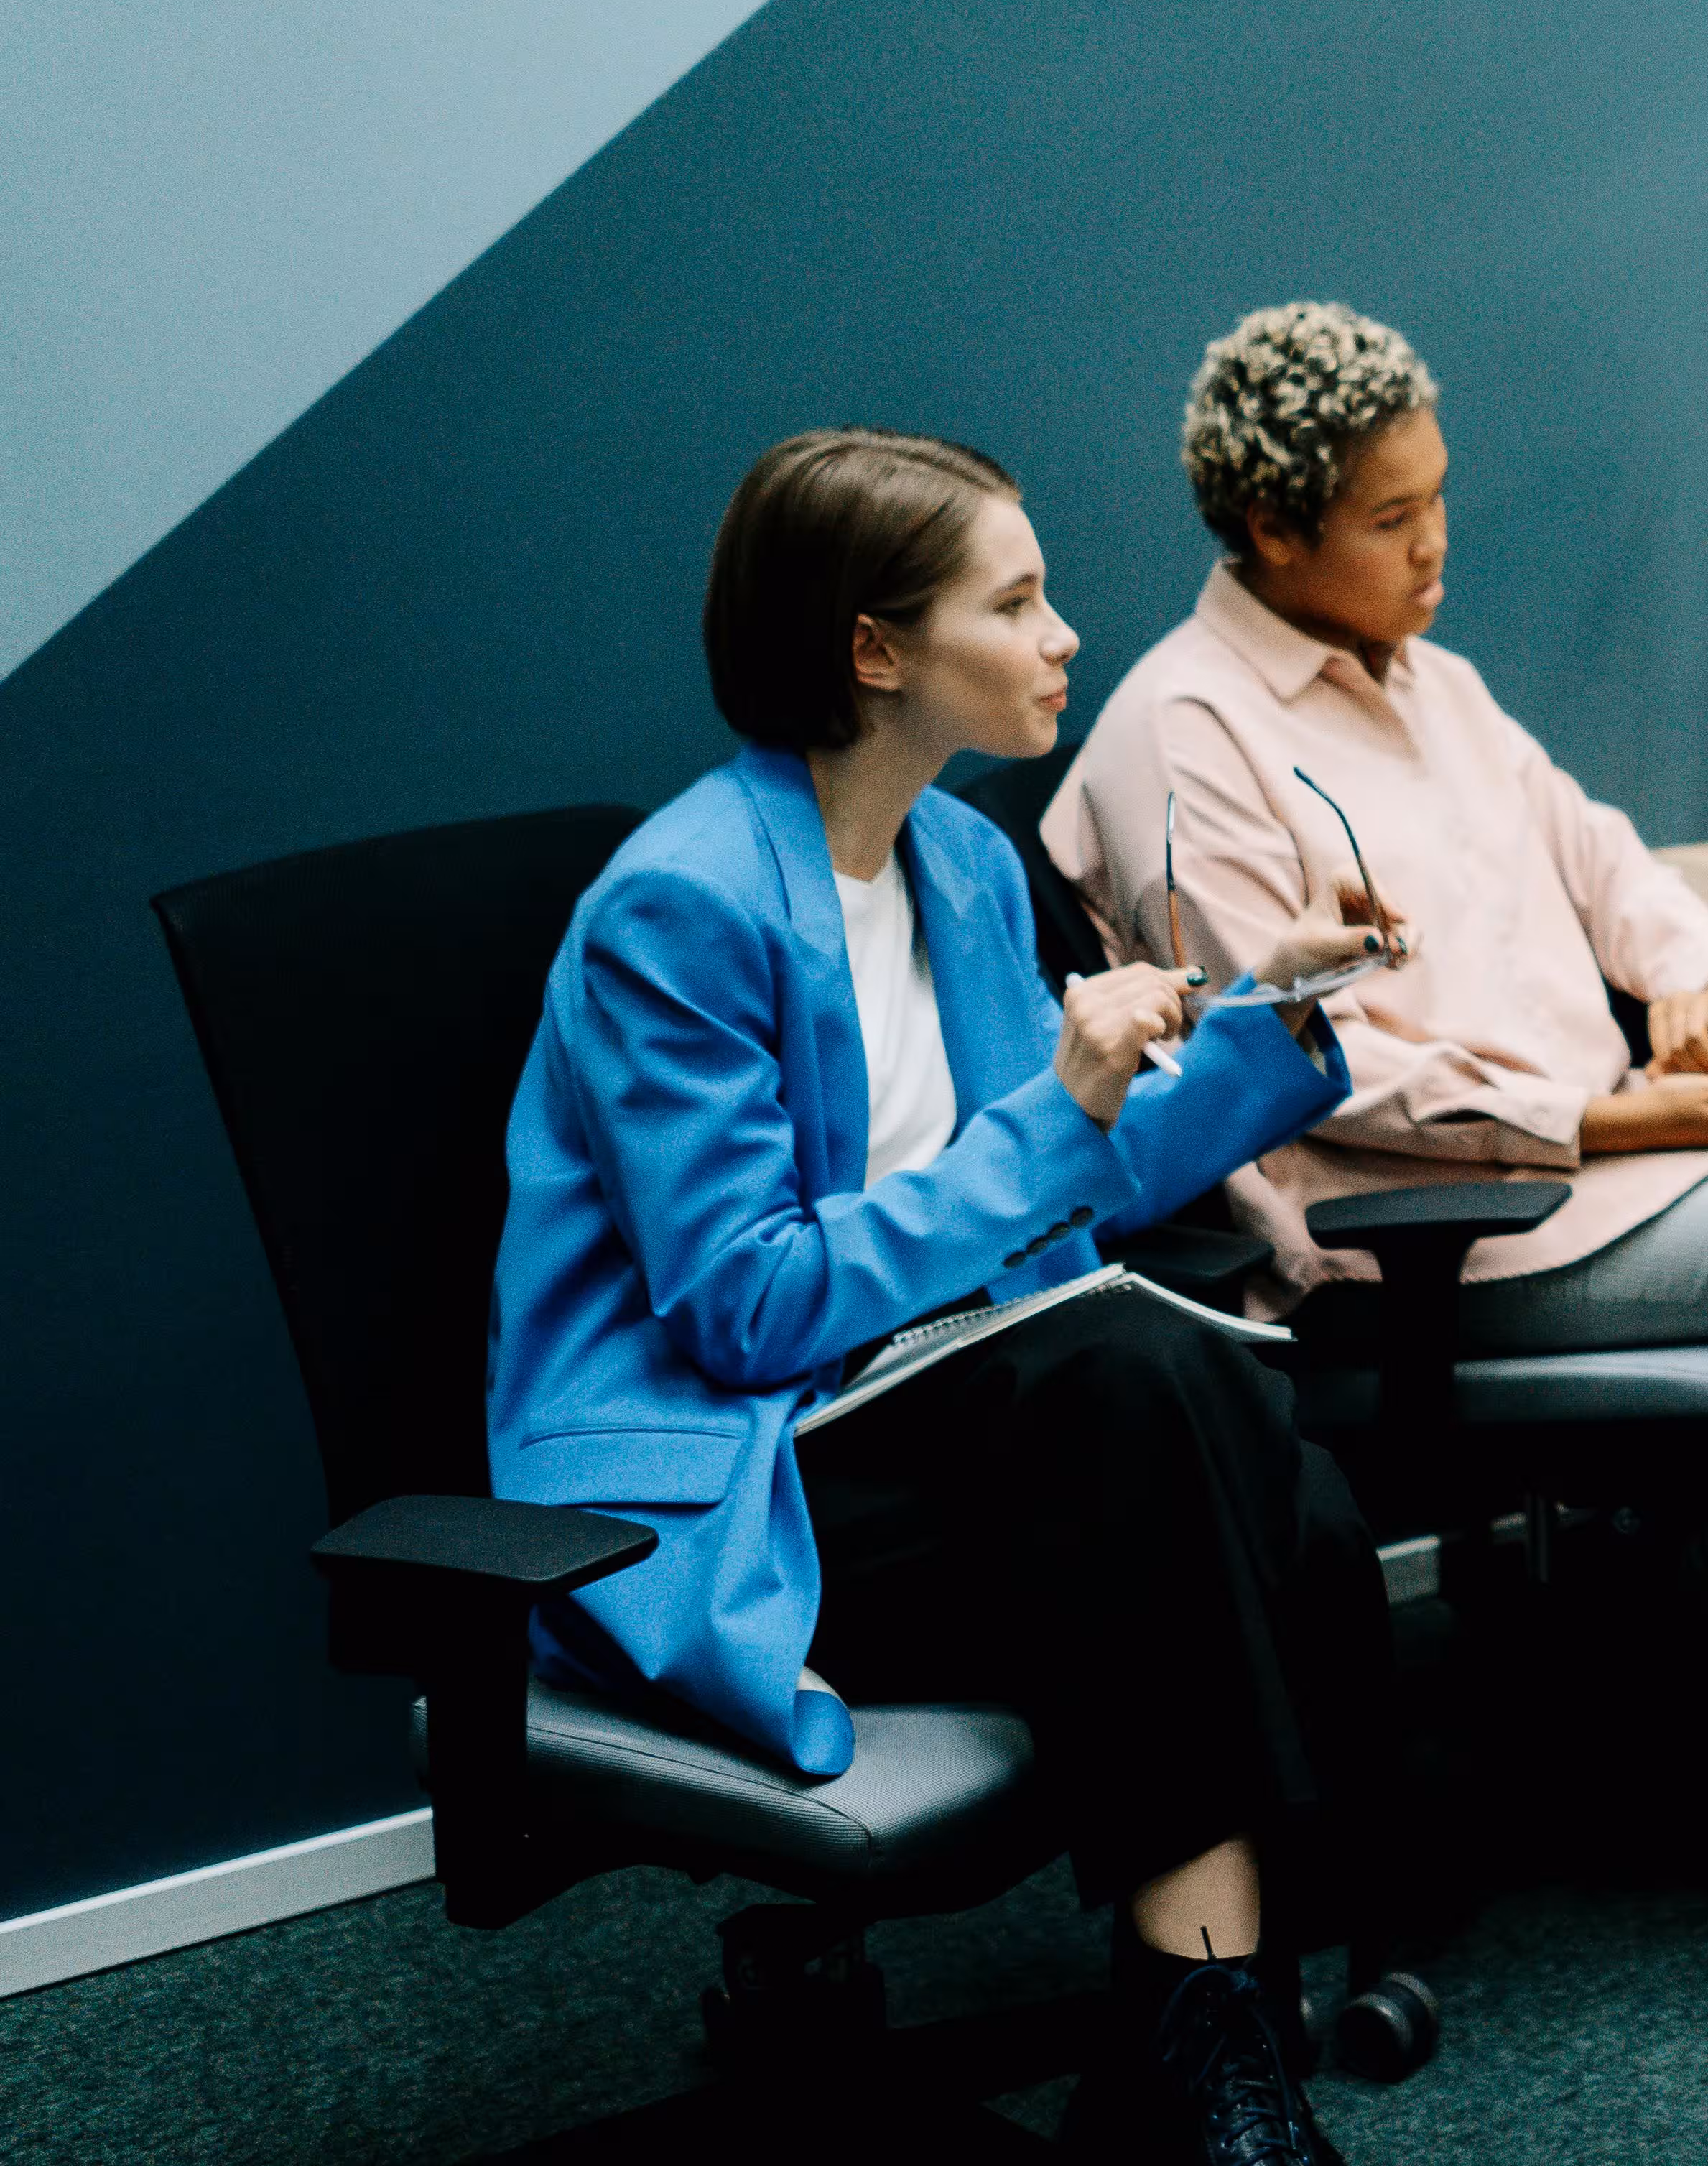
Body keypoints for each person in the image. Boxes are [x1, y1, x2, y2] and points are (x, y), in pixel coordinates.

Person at [493, 430, 1393, 2165]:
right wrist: (1055, 1110)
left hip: (968, 1441)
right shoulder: (676, 908)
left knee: (1287, 1475)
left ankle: (1197, 2022)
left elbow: (1078, 1172)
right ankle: (1207, 2042)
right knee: (1146, 1376)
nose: (1066, 633)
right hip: (755, 1470)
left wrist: (1271, 1006)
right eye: (1019, 599)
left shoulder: (962, 868)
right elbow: (745, 1308)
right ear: (874, 648)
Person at [1046, 301, 1708, 1899]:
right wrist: (1596, 1121)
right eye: (1393, 517)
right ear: (1274, 527)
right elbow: (1266, 1048)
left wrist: (1696, 976)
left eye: (1442, 496)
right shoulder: (1184, 734)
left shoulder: (1430, 681)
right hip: (1412, 1236)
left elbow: (1603, 849)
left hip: (1596, 1181)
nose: (1436, 545)